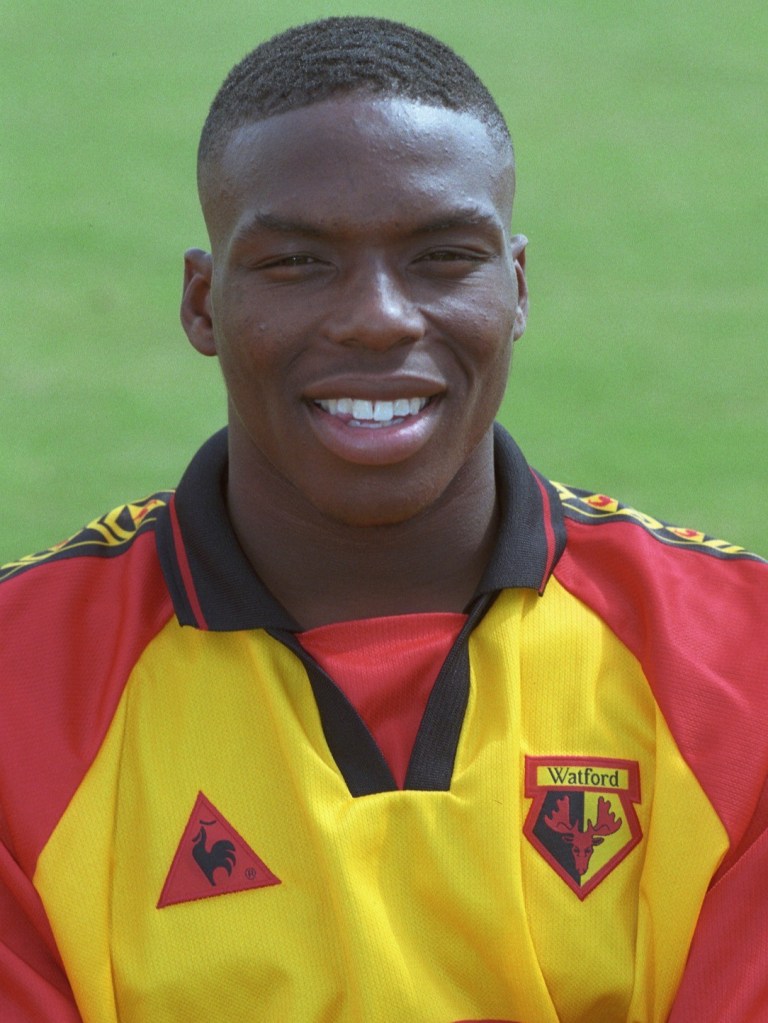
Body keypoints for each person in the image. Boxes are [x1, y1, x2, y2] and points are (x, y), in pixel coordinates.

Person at [0, 16, 765, 1023]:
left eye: (442, 256)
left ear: (516, 289)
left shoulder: (741, 665)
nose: (378, 317)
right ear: (202, 303)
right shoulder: (22, 683)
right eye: (297, 263)